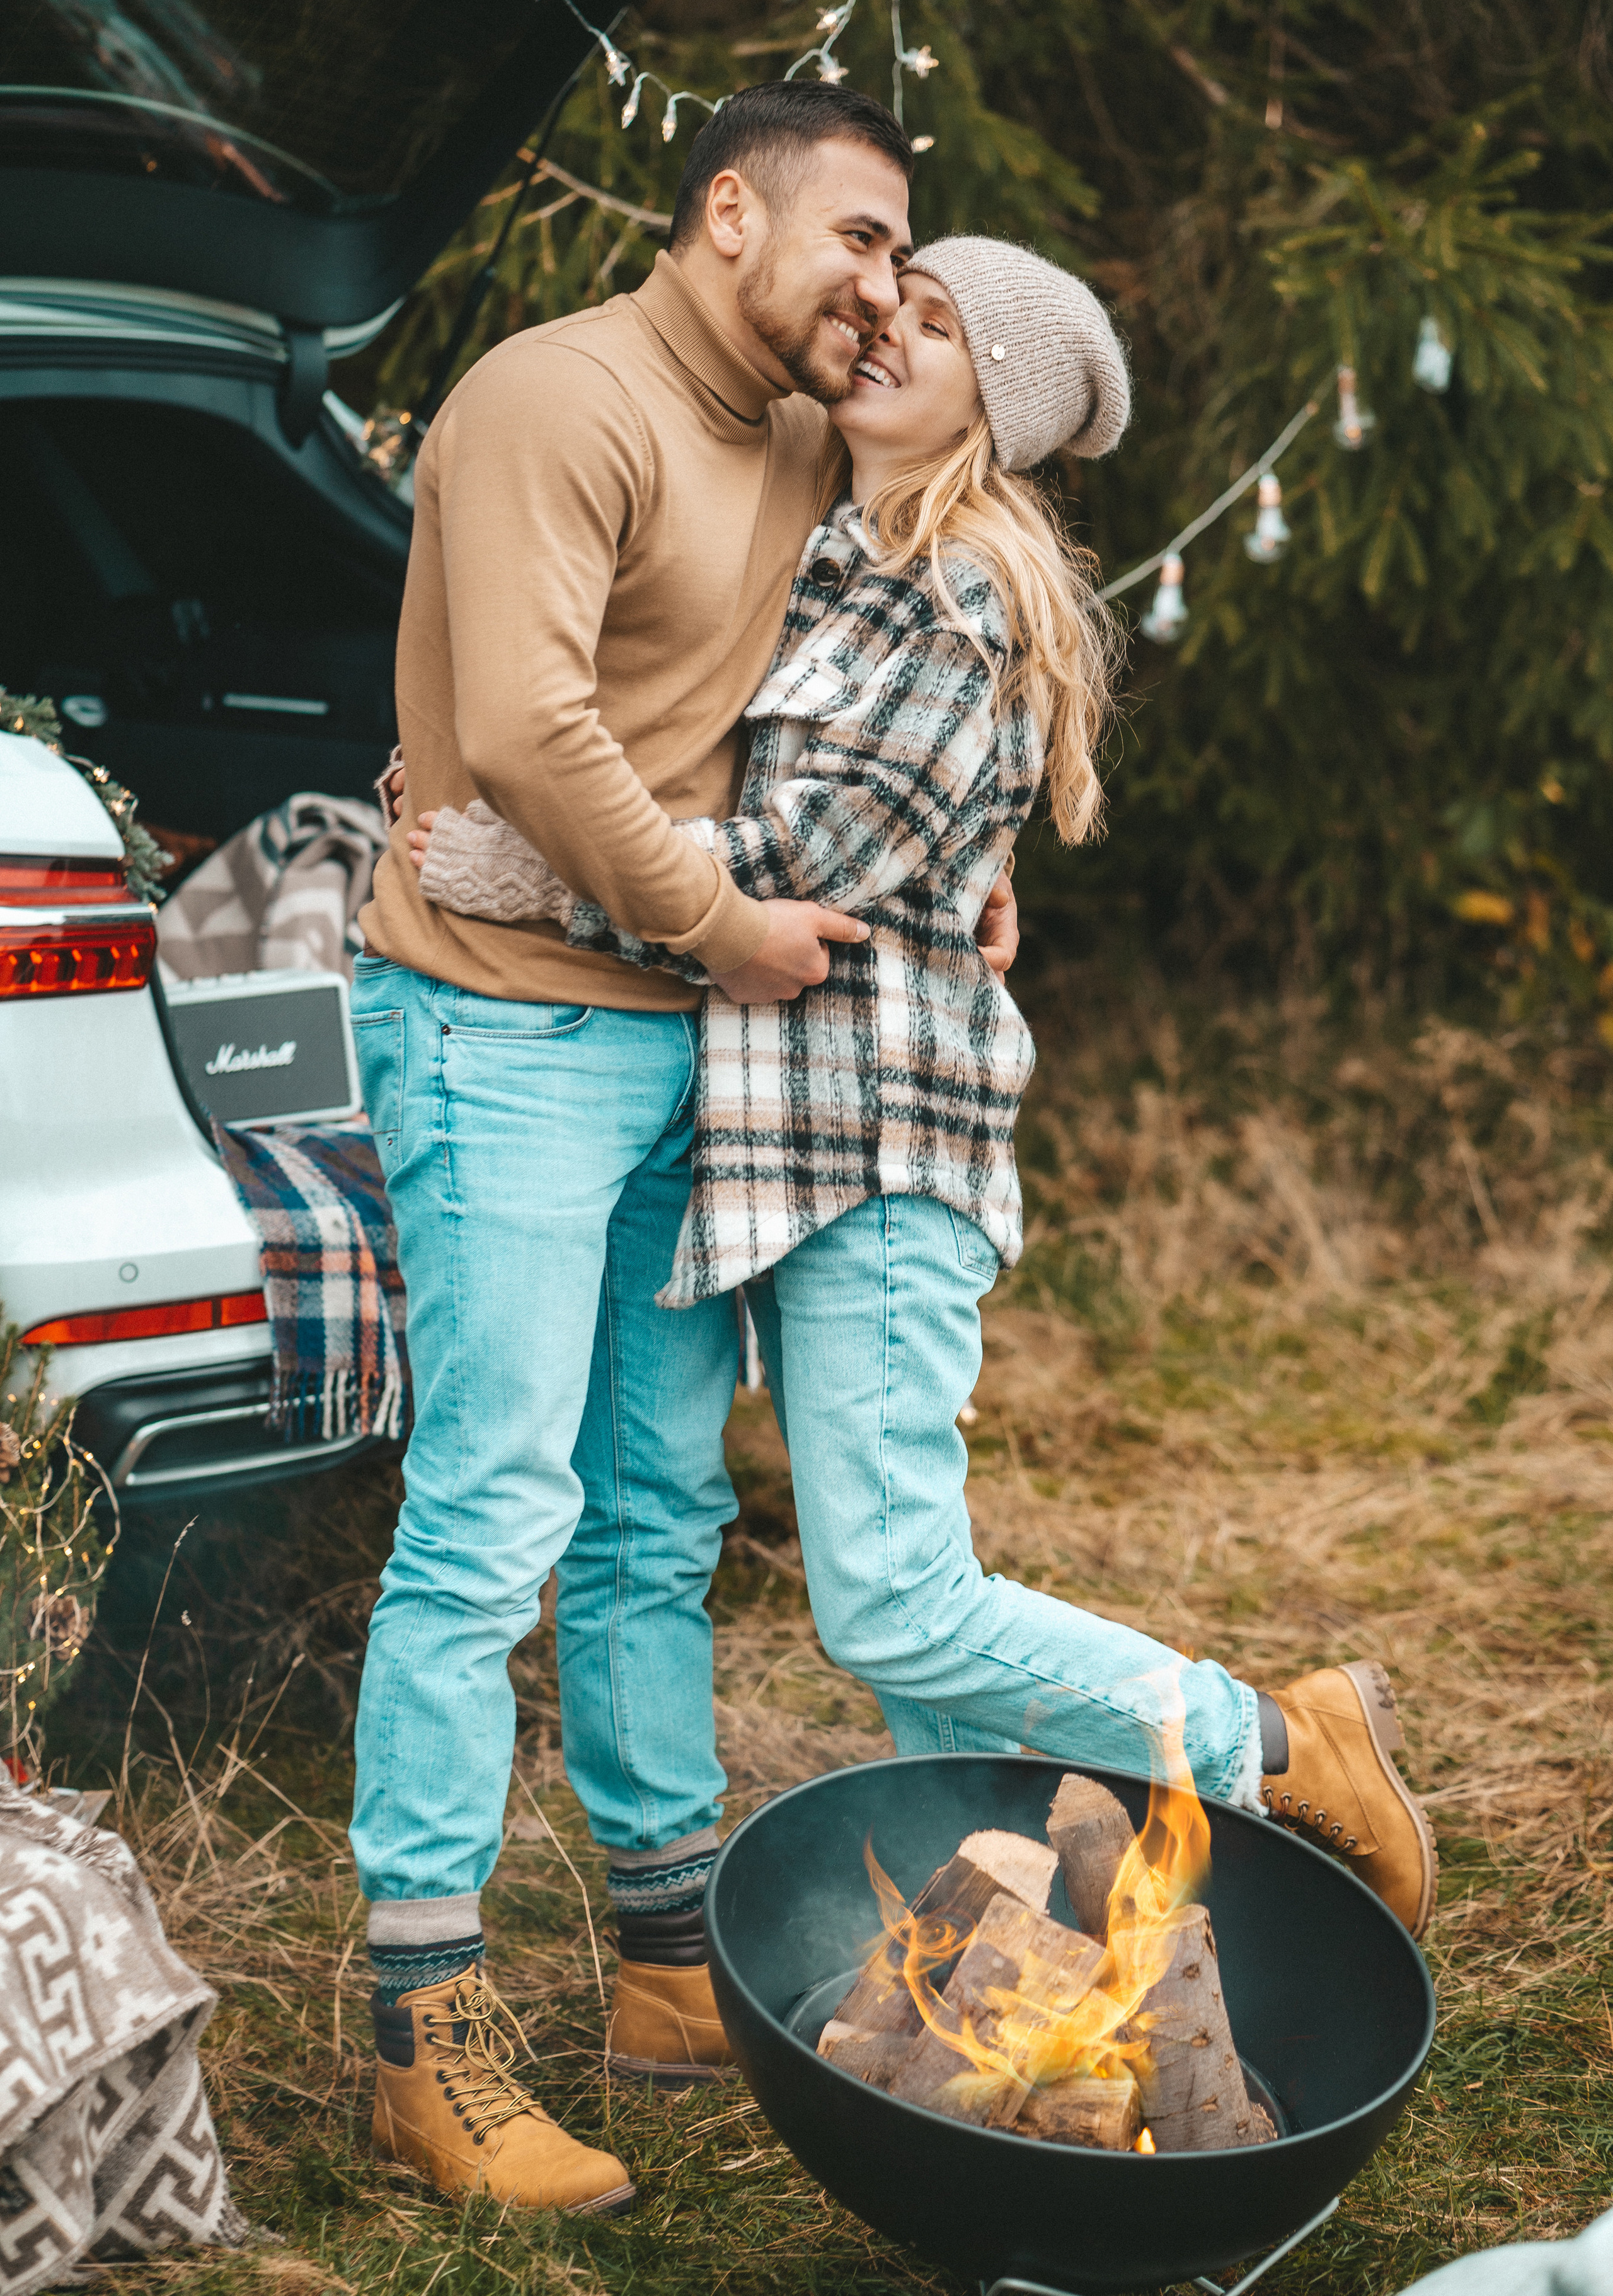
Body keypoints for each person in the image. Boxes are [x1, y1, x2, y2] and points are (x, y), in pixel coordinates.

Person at [405, 239, 1438, 1983]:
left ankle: (1268, 1740)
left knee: (891, 1593)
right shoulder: (827, 541)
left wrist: (527, 866)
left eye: (941, 324)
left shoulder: (958, 590)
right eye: (898, 296)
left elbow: (800, 862)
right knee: (863, 1625)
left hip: (882, 1149)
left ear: (1000, 409)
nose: (890, 322)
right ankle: (991, 1959)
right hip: (766, 1145)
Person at [348, 83, 1021, 2217]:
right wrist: (725, 923)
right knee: (492, 1514)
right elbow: (536, 727)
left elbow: (888, 694)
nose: (883, 290)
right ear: (728, 209)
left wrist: (980, 872)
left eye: (906, 260)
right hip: (506, 1026)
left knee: (654, 1515)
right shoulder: (558, 397)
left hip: (701, 1067)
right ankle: (419, 2038)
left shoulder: (817, 432)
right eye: (857, 240)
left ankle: (660, 1966)